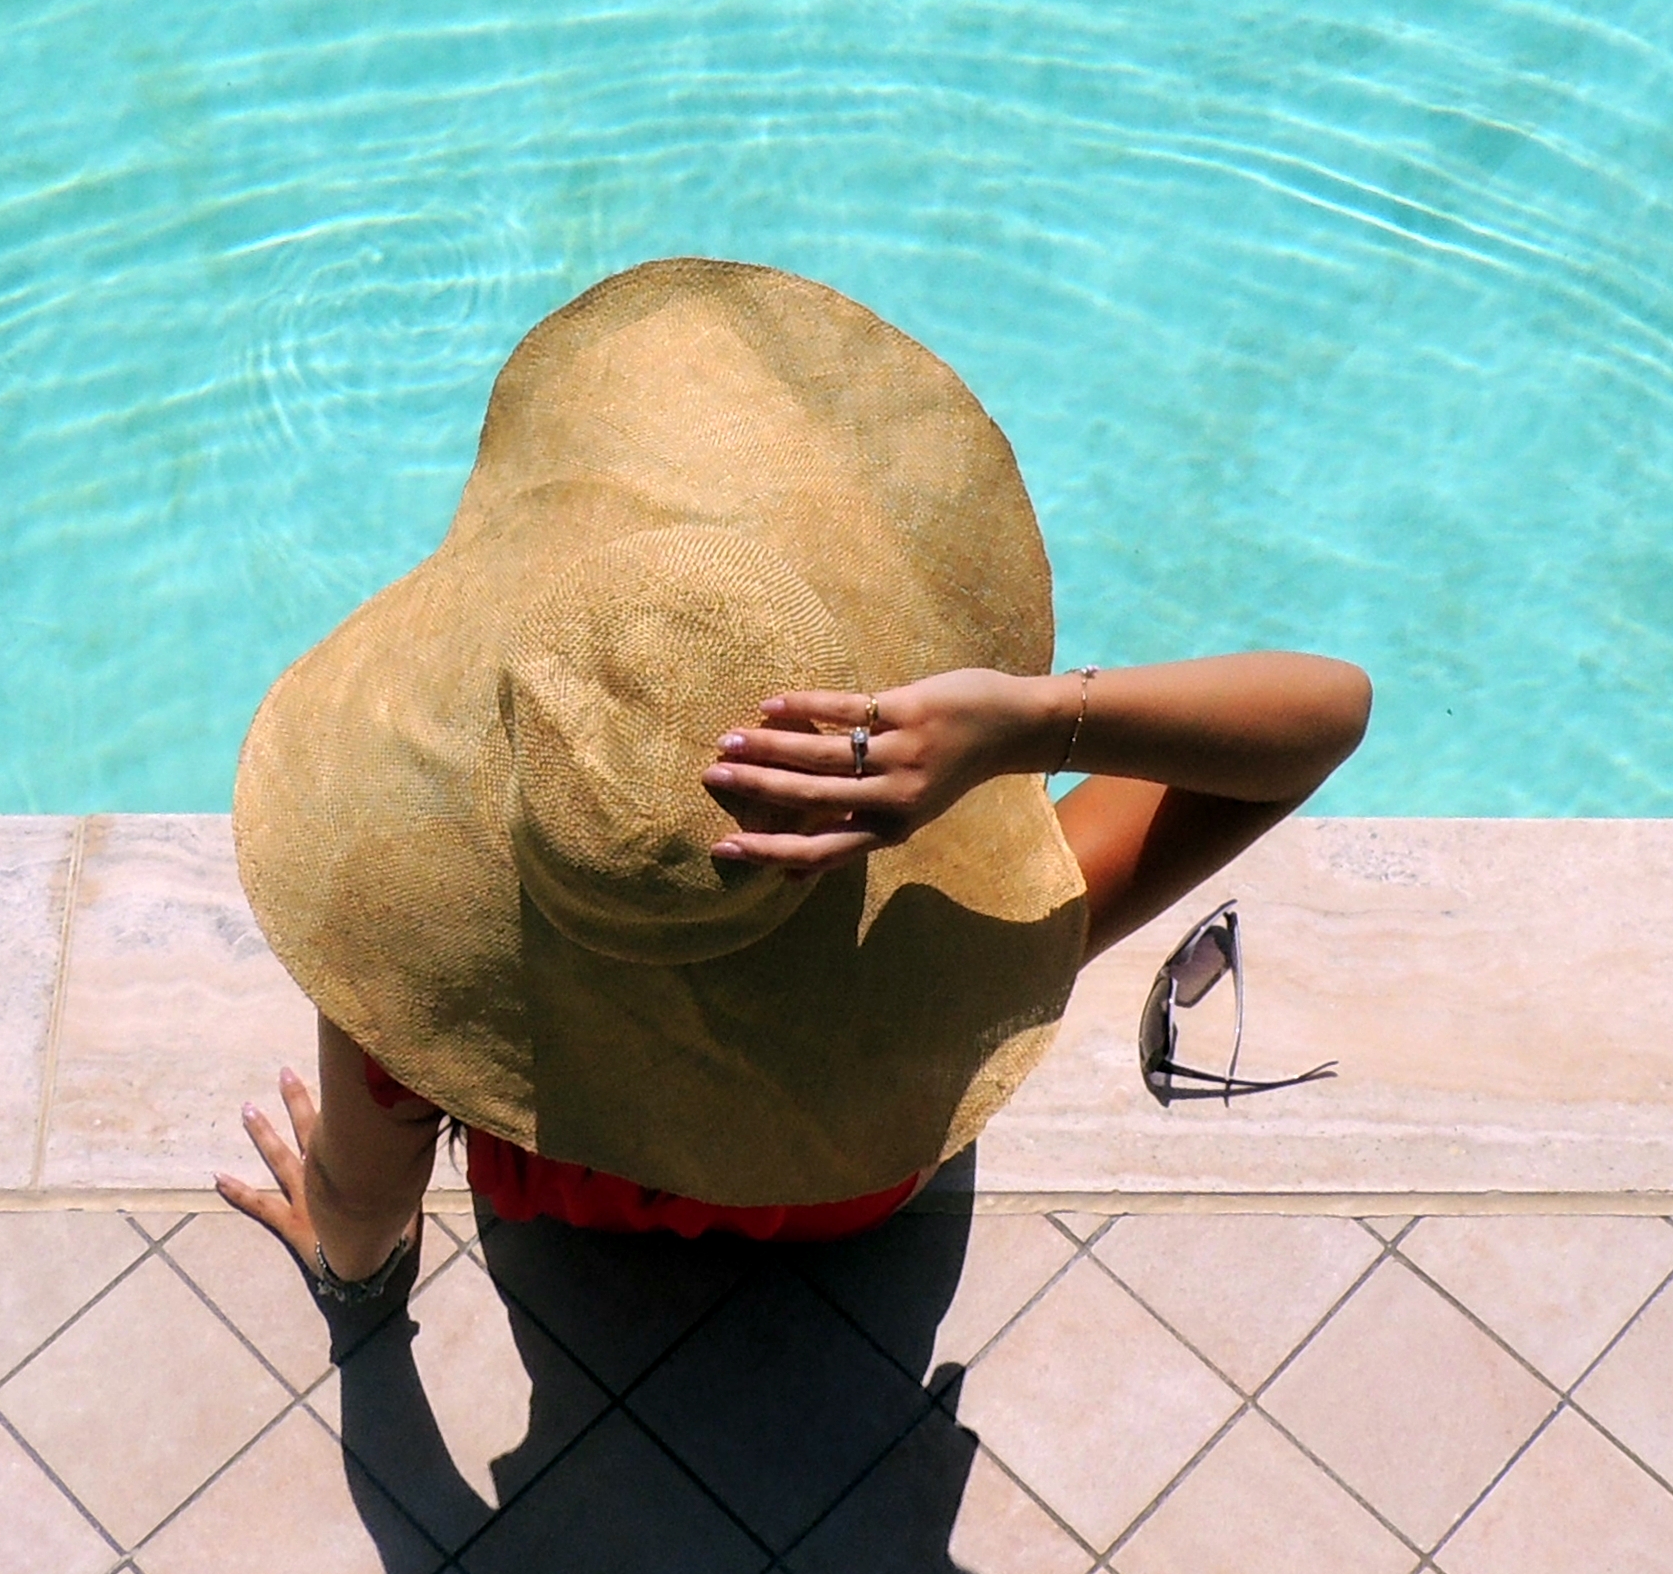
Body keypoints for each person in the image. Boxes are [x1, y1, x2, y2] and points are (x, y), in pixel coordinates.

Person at [220, 256, 1370, 1307]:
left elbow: (367, 1213)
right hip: (850, 1200)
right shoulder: (932, 962)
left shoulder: (414, 989)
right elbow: (1325, 714)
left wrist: (349, 1267)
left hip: (561, 1205)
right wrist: (1026, 721)